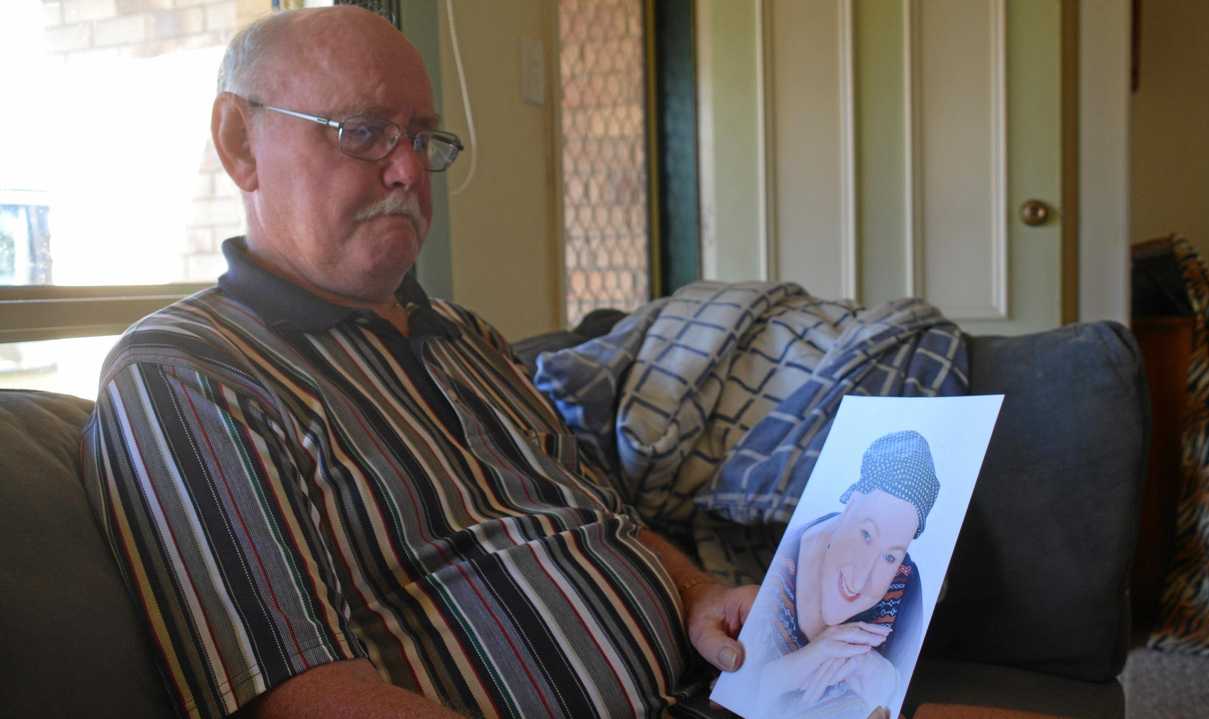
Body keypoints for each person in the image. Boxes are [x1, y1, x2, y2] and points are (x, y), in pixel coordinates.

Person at [82, 7, 755, 718]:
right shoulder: (187, 372)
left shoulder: (470, 340)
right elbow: (297, 697)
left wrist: (697, 594)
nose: (408, 170)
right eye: (364, 133)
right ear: (239, 142)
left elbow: (606, 519)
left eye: (421, 137)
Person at [752, 430, 939, 717]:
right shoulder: (785, 559)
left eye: (890, 556)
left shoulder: (906, 585)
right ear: (851, 502)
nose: (861, 578)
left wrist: (880, 675)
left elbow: (896, 695)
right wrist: (784, 674)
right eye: (866, 534)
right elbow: (740, 688)